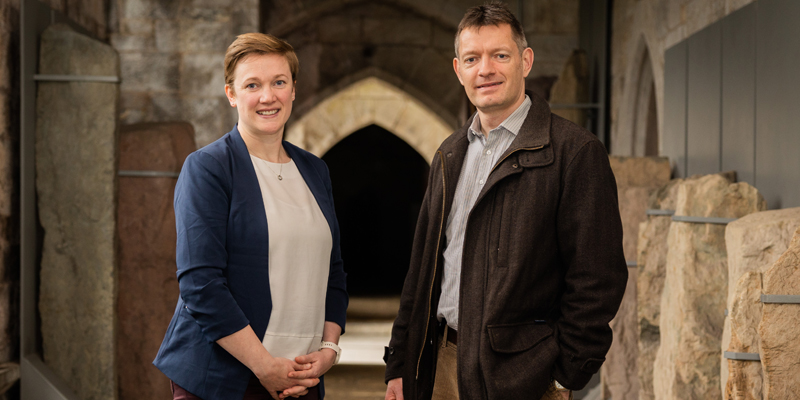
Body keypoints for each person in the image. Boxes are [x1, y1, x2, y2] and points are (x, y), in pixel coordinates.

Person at [383, 2, 627, 400]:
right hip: (442, 366)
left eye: (500, 55)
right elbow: (423, 270)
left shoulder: (574, 152)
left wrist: (564, 373)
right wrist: (400, 362)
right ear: (458, 69)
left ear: (525, 61)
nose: (486, 70)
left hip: (522, 378)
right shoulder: (449, 154)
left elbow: (598, 279)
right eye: (472, 58)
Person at [153, 33, 348, 400]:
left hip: (300, 380)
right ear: (231, 94)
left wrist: (328, 350)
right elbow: (201, 284)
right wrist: (264, 366)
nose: (267, 96)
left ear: (293, 89)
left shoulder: (314, 170)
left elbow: (333, 274)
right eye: (252, 85)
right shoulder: (208, 168)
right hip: (224, 381)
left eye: (279, 82)